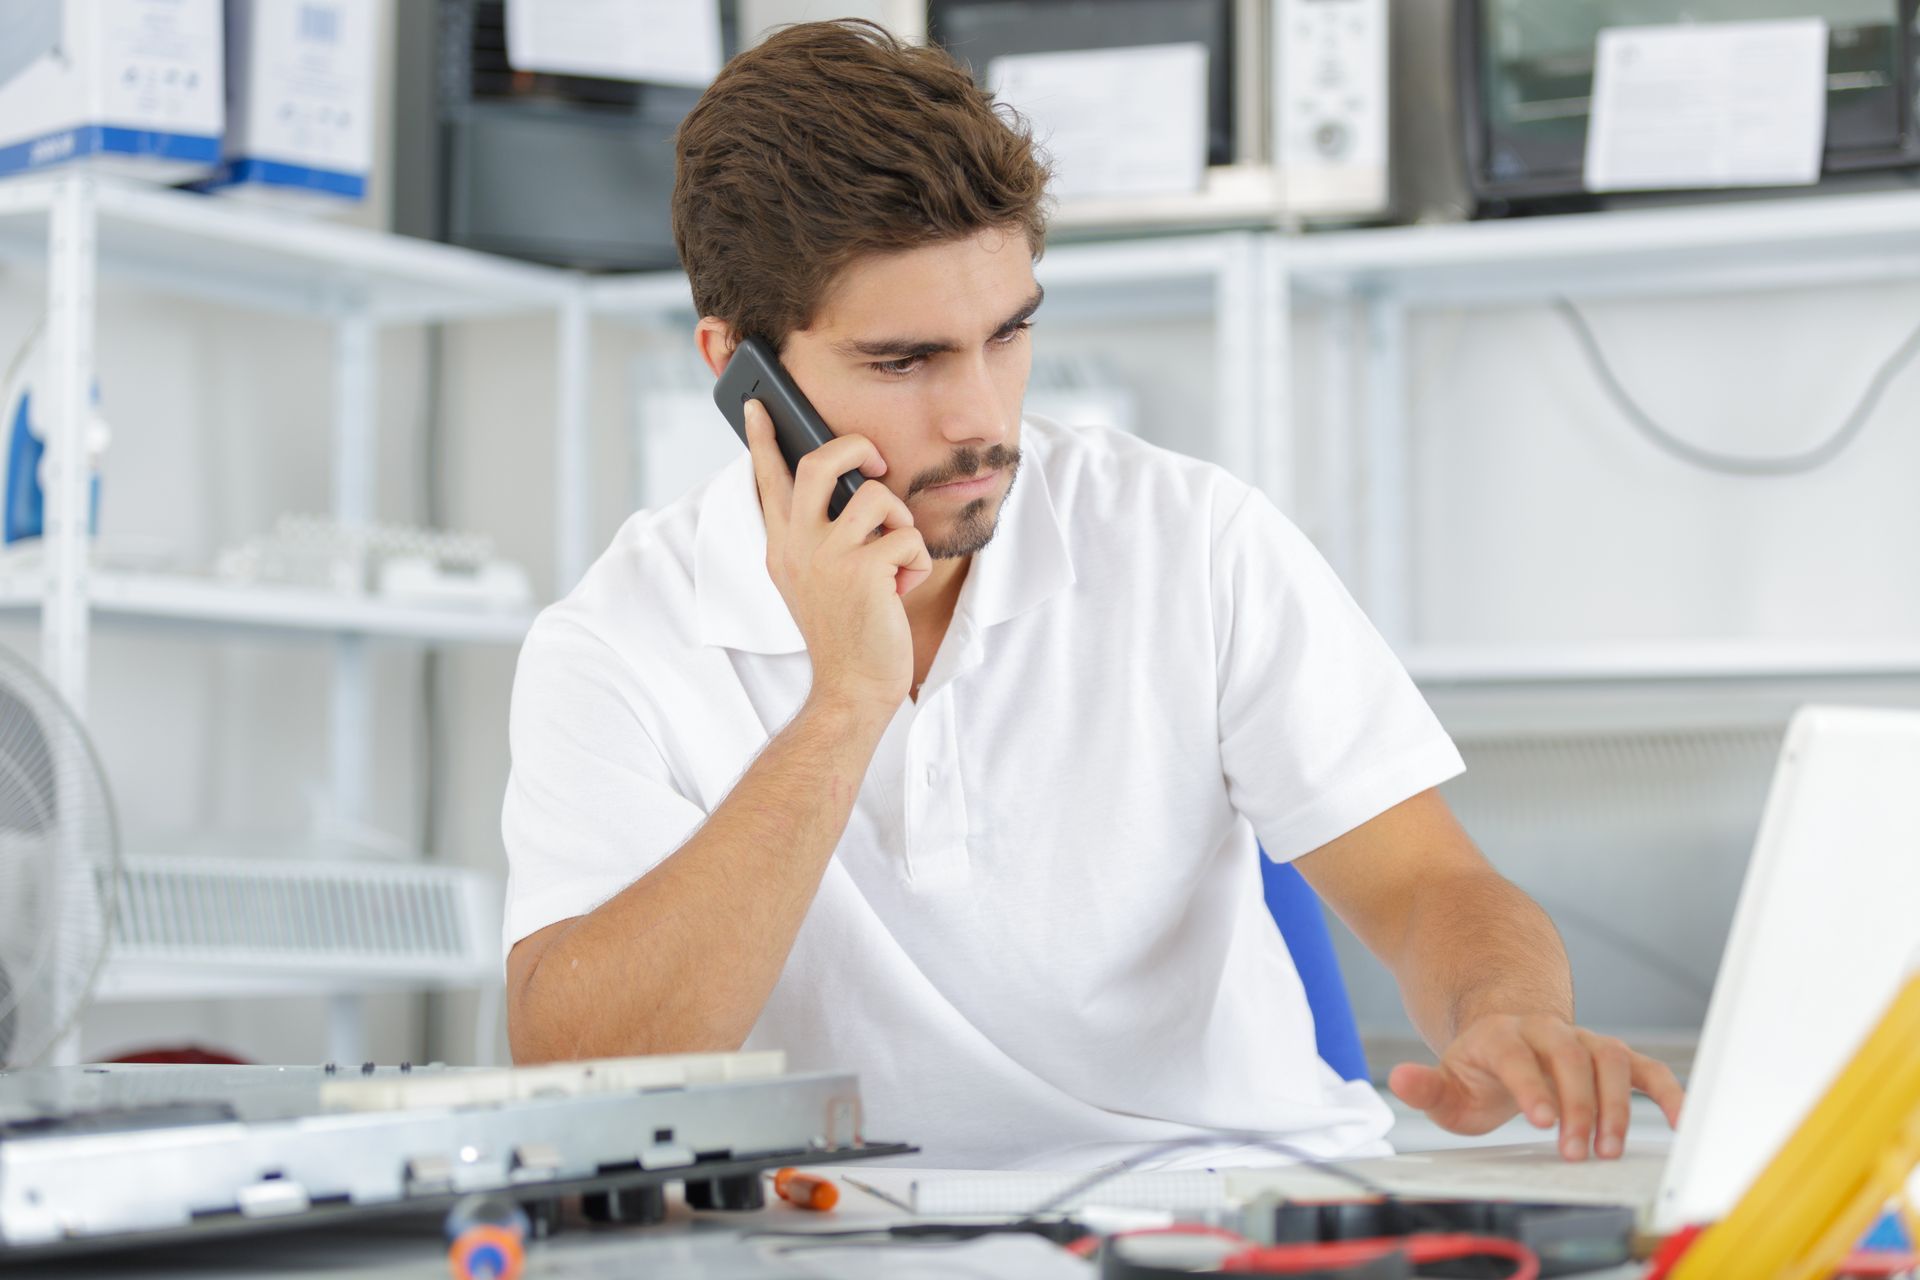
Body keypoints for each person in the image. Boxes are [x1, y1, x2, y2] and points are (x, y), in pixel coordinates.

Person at [499, 19, 1683, 1171]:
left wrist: (1507, 1009)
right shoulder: (617, 641)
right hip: (849, 1236)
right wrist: (845, 706)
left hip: (1228, 1201)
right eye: (903, 361)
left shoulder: (1190, 538)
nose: (979, 418)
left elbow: (1432, 884)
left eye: (1008, 334)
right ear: (738, 370)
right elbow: (585, 1068)